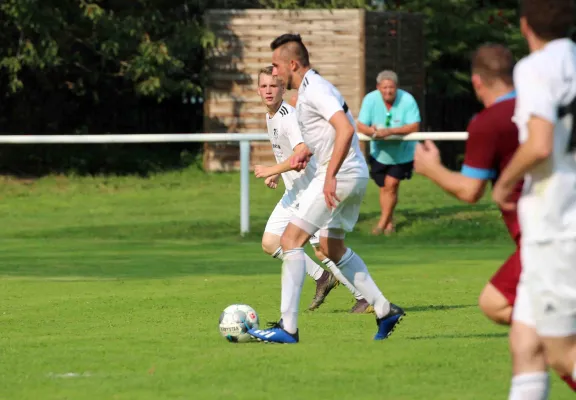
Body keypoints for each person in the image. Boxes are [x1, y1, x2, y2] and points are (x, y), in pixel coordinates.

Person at [414, 43, 576, 398]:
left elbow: (470, 190)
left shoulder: (491, 121)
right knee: (525, 335)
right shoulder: (542, 106)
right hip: (552, 230)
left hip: (547, 235)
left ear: (477, 82)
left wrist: (431, 168)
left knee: (530, 329)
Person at [248, 34, 405, 344]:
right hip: (348, 173)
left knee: (291, 240)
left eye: (278, 67)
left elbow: (346, 128)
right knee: (330, 248)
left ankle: (288, 328)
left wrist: (330, 174)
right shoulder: (307, 91)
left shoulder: (315, 90)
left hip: (339, 174)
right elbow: (323, 137)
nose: (275, 74)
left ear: (292, 64)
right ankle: (385, 310)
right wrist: (304, 155)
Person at [492, 0, 576, 397]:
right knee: (526, 344)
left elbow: (539, 145)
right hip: (554, 224)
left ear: (525, 26)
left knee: (563, 354)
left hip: (557, 228)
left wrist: (505, 182)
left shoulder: (535, 67)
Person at [254, 65, 374, 314]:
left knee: (324, 249)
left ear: (282, 89)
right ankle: (322, 278)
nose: (268, 91)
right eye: (264, 86)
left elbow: (301, 154)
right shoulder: (271, 115)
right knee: (270, 242)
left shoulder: (288, 116)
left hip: (311, 190)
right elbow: (288, 154)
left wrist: (271, 170)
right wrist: (279, 174)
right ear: (258, 89)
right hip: (294, 192)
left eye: (273, 86)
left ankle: (365, 298)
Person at [356, 71, 421, 235]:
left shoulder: (407, 100)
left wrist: (390, 131)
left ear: (396, 87)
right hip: (379, 153)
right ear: (378, 87)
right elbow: (361, 125)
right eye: (384, 87)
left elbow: (414, 126)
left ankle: (381, 225)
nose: (388, 91)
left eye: (391, 87)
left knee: (392, 185)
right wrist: (373, 131)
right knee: (385, 187)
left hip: (402, 153)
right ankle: (389, 222)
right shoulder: (370, 100)